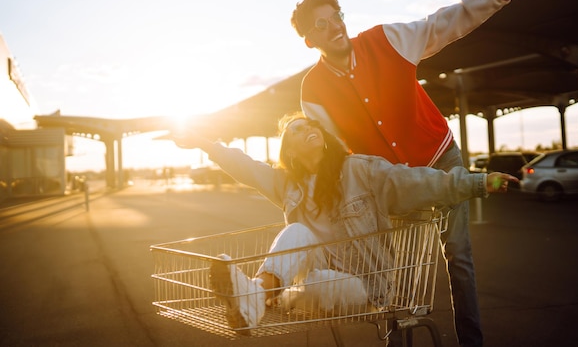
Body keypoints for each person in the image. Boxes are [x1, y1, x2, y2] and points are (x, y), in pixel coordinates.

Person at [290, 0, 553, 347]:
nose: (336, 27)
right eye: (322, 25)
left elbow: (445, 22)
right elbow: (330, 154)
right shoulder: (312, 91)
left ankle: (472, 342)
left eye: (337, 16)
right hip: (398, 182)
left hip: (441, 157)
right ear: (310, 40)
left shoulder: (387, 39)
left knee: (458, 257)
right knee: (404, 273)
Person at [173, 112, 518, 335]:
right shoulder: (289, 186)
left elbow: (418, 182)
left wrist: (476, 182)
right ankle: (255, 297)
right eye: (296, 131)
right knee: (297, 232)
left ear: (321, 134)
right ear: (289, 151)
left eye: (310, 125)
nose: (307, 130)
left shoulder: (361, 170)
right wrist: (203, 142)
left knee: (315, 282)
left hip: (365, 285)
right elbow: (244, 166)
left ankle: (253, 296)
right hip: (316, 278)